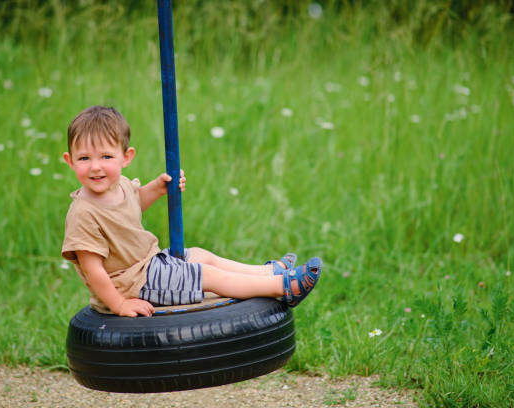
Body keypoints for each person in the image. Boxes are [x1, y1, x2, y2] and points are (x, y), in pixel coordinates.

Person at [61, 106, 322, 317]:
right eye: (84, 158)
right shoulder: (83, 214)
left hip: (148, 266)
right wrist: (119, 305)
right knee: (205, 275)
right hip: (131, 286)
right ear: (70, 161)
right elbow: (93, 270)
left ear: (126, 157)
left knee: (200, 255)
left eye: (106, 157)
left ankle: (268, 271)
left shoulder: (121, 187)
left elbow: (132, 205)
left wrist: (159, 187)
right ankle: (283, 287)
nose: (96, 167)